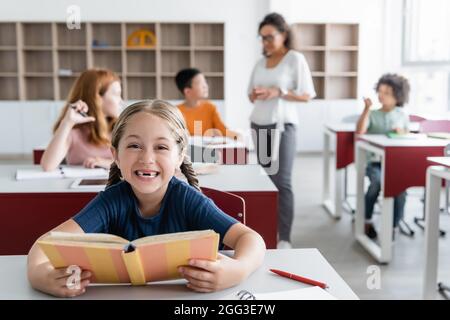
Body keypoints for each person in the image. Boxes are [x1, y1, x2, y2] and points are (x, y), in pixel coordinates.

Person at [27, 99, 266, 297]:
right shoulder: (111, 201)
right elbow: (42, 247)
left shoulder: (188, 200)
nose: (147, 158)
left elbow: (250, 238)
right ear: (116, 156)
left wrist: (239, 269)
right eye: (134, 146)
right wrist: (43, 277)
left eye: (161, 147)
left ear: (179, 156)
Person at [248, 13, 316, 249]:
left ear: (284, 34)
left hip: (283, 126)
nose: (265, 41)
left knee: (282, 181)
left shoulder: (294, 59)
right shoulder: (260, 63)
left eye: (269, 36)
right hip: (259, 123)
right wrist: (257, 94)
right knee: (266, 181)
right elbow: (250, 96)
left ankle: (284, 238)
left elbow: (307, 95)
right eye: (262, 37)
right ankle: (265, 233)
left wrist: (280, 92)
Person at [356, 73, 411, 239]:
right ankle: (367, 220)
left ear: (398, 96)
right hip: (374, 162)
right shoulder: (373, 114)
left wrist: (401, 132)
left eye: (386, 93)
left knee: (401, 190)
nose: (381, 96)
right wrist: (366, 109)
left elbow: (407, 134)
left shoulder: (402, 114)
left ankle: (393, 226)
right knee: (376, 183)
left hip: (395, 163)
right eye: (380, 91)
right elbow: (360, 131)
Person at [40, 69, 123, 171]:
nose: (120, 100)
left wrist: (108, 163)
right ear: (97, 98)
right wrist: (67, 122)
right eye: (116, 94)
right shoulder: (74, 132)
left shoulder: (121, 128)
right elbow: (47, 166)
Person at [175, 68, 241, 140]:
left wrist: (237, 136)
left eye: (205, 82)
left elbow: (223, 130)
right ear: (187, 91)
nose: (205, 86)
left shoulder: (210, 107)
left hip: (210, 148)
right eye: (201, 83)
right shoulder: (176, 112)